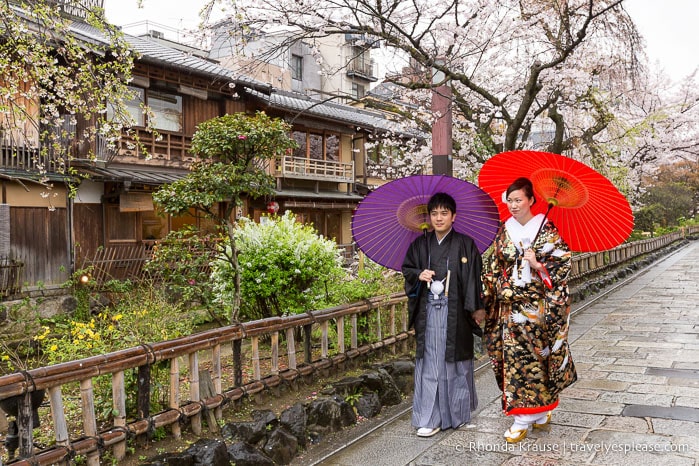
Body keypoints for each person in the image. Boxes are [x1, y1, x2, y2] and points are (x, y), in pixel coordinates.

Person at [482, 177, 577, 444]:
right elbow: (492, 266)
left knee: (538, 359)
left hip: (538, 309)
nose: (513, 205)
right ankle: (537, 412)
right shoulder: (503, 230)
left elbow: (563, 265)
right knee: (514, 360)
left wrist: (537, 265)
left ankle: (524, 417)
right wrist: (486, 294)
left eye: (518, 200)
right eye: (509, 200)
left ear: (532, 200)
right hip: (510, 308)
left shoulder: (547, 229)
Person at [402, 192, 485, 437]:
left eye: (444, 213)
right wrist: (419, 274)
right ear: (429, 216)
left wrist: (477, 308)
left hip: (456, 313)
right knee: (430, 365)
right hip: (428, 313)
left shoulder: (465, 244)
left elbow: (474, 278)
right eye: (434, 213)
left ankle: (458, 415)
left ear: (453, 216)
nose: (438, 218)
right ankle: (429, 417)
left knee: (455, 363)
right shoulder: (420, 244)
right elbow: (407, 269)